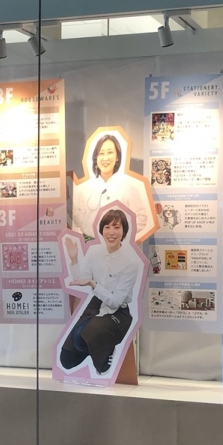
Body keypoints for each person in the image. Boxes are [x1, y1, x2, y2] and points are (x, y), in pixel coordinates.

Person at [59, 208, 142, 374]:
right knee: (67, 360)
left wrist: (94, 284)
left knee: (86, 334)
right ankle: (96, 345)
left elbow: (115, 301)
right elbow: (81, 279)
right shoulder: (94, 251)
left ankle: (106, 348)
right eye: (107, 227)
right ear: (102, 230)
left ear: (124, 231)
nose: (111, 232)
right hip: (96, 304)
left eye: (116, 227)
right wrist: (74, 259)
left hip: (118, 312)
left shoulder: (131, 262)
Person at [73, 132, 153, 242]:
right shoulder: (85, 188)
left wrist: (120, 233)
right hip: (89, 245)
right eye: (101, 153)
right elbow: (77, 220)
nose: (105, 158)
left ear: (117, 157)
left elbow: (141, 218)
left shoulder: (128, 186)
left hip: (116, 246)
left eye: (110, 152)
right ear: (96, 157)